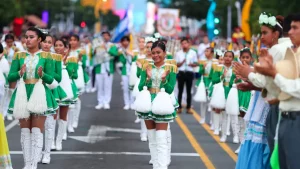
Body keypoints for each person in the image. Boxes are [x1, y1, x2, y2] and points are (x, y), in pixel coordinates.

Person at [234, 12, 285, 169]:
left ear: (276, 34)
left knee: (269, 147)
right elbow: (269, 82)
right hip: (267, 102)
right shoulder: (274, 50)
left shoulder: (278, 50)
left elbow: (269, 81)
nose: (262, 37)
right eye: (261, 33)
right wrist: (251, 85)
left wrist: (248, 73)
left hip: (273, 105)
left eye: (265, 33)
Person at [249, 13, 300, 169]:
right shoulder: (293, 53)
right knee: (278, 163)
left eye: (295, 28)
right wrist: (268, 73)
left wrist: (272, 74)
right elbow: (278, 91)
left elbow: (296, 88)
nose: (290, 32)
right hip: (284, 117)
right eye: (290, 28)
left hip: (296, 118)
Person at [7, 27, 58, 169]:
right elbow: (10, 77)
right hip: (22, 93)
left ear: (39, 39)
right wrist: (19, 72)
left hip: (40, 93)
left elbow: (52, 80)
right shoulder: (19, 55)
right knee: (25, 131)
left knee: (36, 130)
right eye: (26, 37)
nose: (27, 40)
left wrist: (43, 75)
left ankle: (33, 165)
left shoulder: (47, 56)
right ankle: (27, 164)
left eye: (31, 37)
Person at [136, 40, 177, 169]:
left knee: (161, 137)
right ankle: (155, 164)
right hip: (148, 102)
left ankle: (163, 166)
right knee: (152, 137)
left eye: (158, 52)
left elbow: (170, 89)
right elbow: (140, 86)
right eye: (153, 53)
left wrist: (164, 79)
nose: (155, 55)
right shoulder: (146, 66)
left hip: (162, 102)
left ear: (164, 53)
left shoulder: (170, 67)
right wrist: (147, 78)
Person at [234, 48, 253, 154]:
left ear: (251, 58)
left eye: (247, 57)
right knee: (240, 120)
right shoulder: (236, 69)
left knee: (248, 121)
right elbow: (230, 81)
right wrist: (236, 79)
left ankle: (247, 145)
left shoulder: (253, 69)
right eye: (243, 57)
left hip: (249, 95)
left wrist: (247, 79)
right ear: (240, 58)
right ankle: (241, 143)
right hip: (239, 95)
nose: (245, 59)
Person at [94, 32, 118, 110]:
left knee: (107, 86)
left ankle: (106, 102)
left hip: (108, 68)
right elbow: (93, 54)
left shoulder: (112, 45)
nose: (105, 37)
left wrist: (106, 48)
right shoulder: (98, 44)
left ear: (109, 37)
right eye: (103, 36)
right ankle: (100, 102)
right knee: (100, 86)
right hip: (99, 68)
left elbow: (115, 53)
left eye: (106, 36)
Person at [175, 38, 198, 114]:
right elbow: (176, 64)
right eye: (182, 43)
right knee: (180, 91)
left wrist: (192, 64)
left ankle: (188, 107)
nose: (184, 45)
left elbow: (196, 63)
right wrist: (181, 63)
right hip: (181, 73)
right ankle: (179, 107)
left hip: (189, 72)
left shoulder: (193, 53)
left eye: (185, 43)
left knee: (189, 91)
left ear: (189, 44)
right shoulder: (178, 53)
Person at [197, 47, 214, 123]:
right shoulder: (202, 61)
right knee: (203, 100)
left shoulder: (215, 62)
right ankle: (202, 117)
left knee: (211, 100)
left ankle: (211, 119)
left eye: (207, 51)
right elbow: (200, 71)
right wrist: (203, 68)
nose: (206, 53)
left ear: (212, 53)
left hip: (211, 81)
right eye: (205, 51)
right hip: (204, 80)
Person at [118, 36, 135, 110]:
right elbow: (122, 61)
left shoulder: (133, 50)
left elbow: (135, 60)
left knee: (132, 88)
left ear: (129, 42)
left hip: (132, 71)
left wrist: (131, 54)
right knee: (125, 88)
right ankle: (126, 103)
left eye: (126, 41)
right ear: (121, 43)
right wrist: (124, 54)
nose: (125, 42)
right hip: (125, 72)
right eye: (123, 41)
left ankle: (132, 103)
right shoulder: (121, 51)